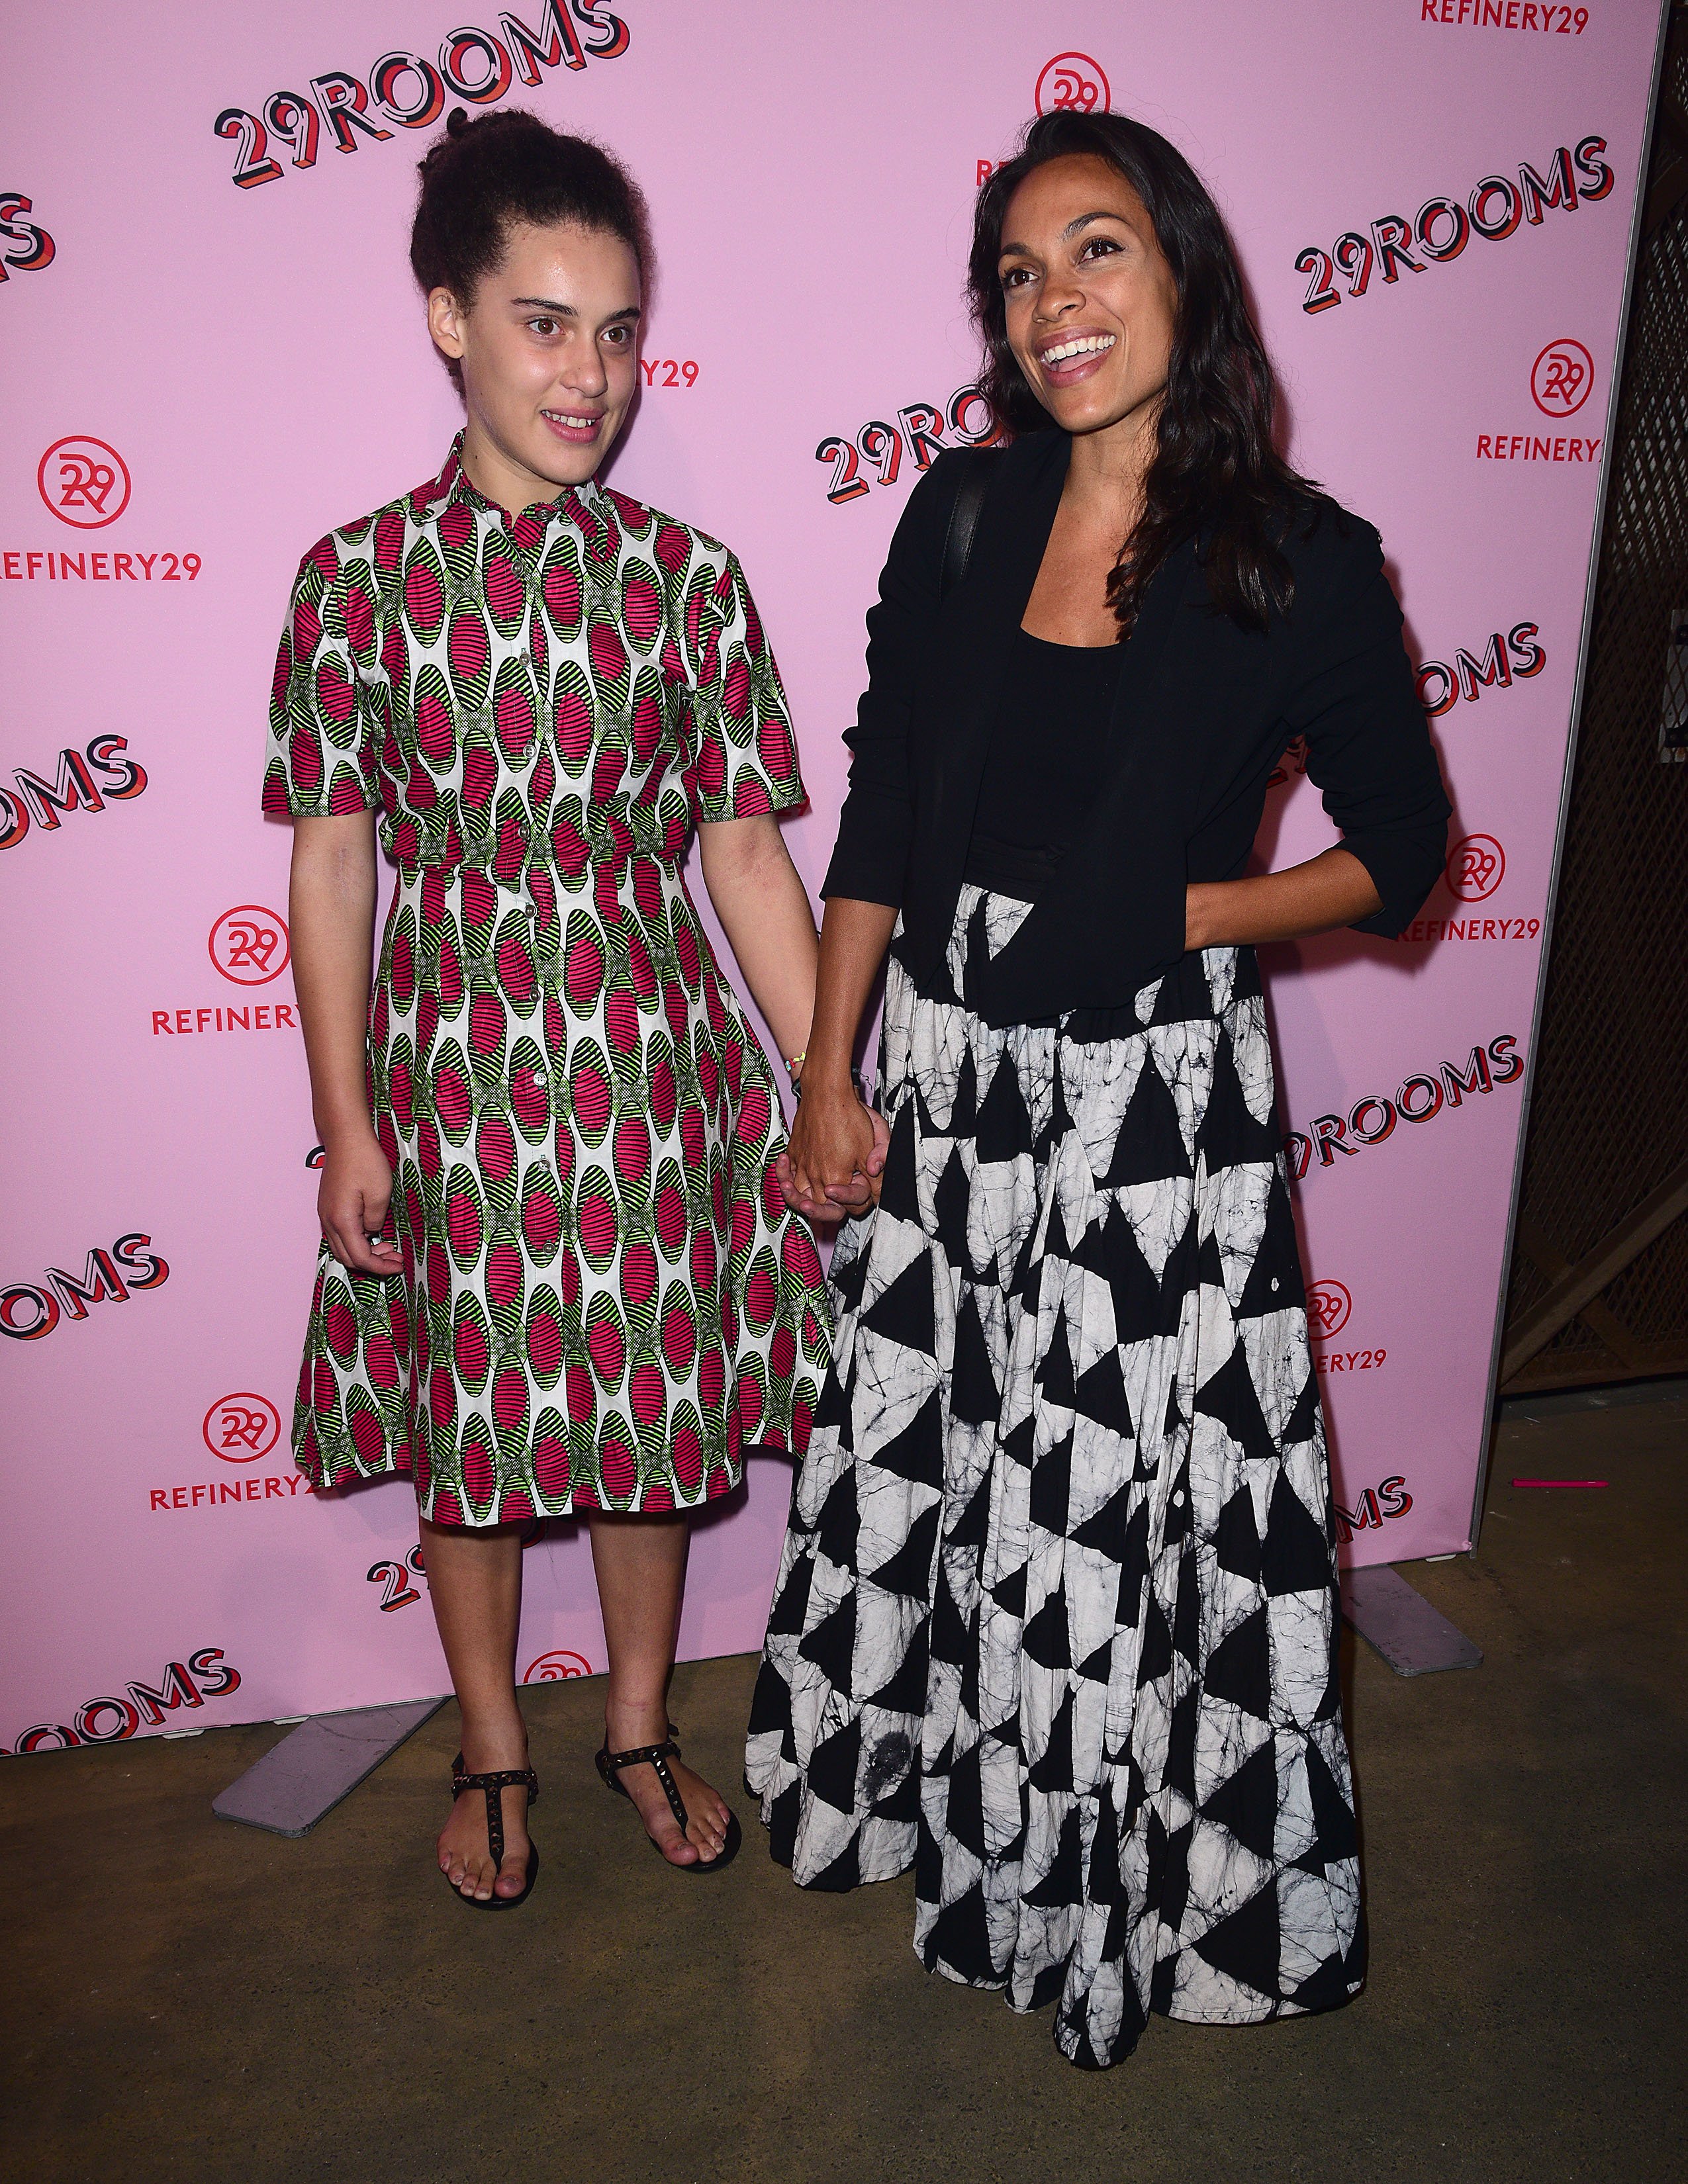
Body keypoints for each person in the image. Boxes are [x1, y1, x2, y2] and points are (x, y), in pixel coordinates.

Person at [747, 109, 1451, 2066]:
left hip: (1156, 1114)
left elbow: (1403, 851)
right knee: (963, 1474)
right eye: (1018, 273)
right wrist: (831, 1069)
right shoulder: (960, 519)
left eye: (1097, 251)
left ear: (1184, 266)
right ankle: (959, 1833)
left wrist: (1190, 905)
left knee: (1119, 1522)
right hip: (952, 1081)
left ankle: (1112, 1903)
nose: (1054, 303)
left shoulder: (1303, 560)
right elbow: (882, 807)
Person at [265, 109, 851, 1905]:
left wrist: (828, 1074)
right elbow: (336, 868)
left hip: (657, 1062)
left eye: (614, 329)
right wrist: (350, 1115)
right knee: (473, 1423)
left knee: (651, 1411)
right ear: (448, 316)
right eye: (543, 321)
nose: (590, 373)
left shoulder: (687, 582)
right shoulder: (351, 583)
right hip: (452, 1070)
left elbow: (744, 855)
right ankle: (492, 1736)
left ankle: (638, 1720)